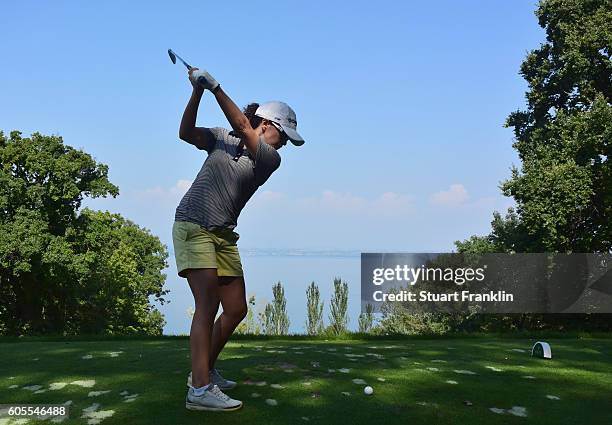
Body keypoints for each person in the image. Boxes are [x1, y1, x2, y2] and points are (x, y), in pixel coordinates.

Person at [172, 66, 305, 412]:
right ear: (269, 125)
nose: (286, 145)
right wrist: (197, 92)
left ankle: (203, 372)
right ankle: (199, 390)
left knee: (235, 309)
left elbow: (245, 128)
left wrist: (215, 86)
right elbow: (185, 133)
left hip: (223, 235)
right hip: (194, 224)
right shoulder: (222, 137)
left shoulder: (268, 158)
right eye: (284, 135)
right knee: (207, 305)